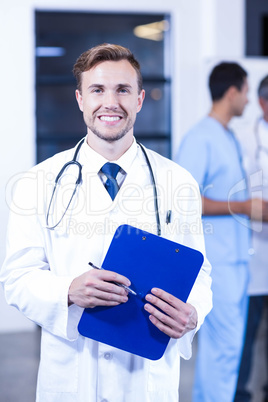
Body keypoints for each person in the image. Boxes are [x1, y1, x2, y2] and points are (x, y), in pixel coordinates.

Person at [0, 43, 212, 402]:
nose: (110, 102)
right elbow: (17, 277)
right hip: (72, 376)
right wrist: (68, 291)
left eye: (123, 90)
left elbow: (200, 273)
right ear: (80, 98)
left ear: (140, 99)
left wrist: (193, 315)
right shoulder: (36, 182)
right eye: (98, 90)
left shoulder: (178, 182)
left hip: (146, 380)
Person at [175, 62, 268, 402]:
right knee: (224, 351)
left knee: (228, 350)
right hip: (217, 263)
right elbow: (184, 200)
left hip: (237, 260)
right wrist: (243, 207)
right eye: (245, 91)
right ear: (232, 93)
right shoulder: (201, 138)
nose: (248, 98)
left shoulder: (227, 135)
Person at [234, 75, 268, 402]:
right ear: (262, 103)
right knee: (246, 336)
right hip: (254, 254)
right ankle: (240, 395)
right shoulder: (243, 139)